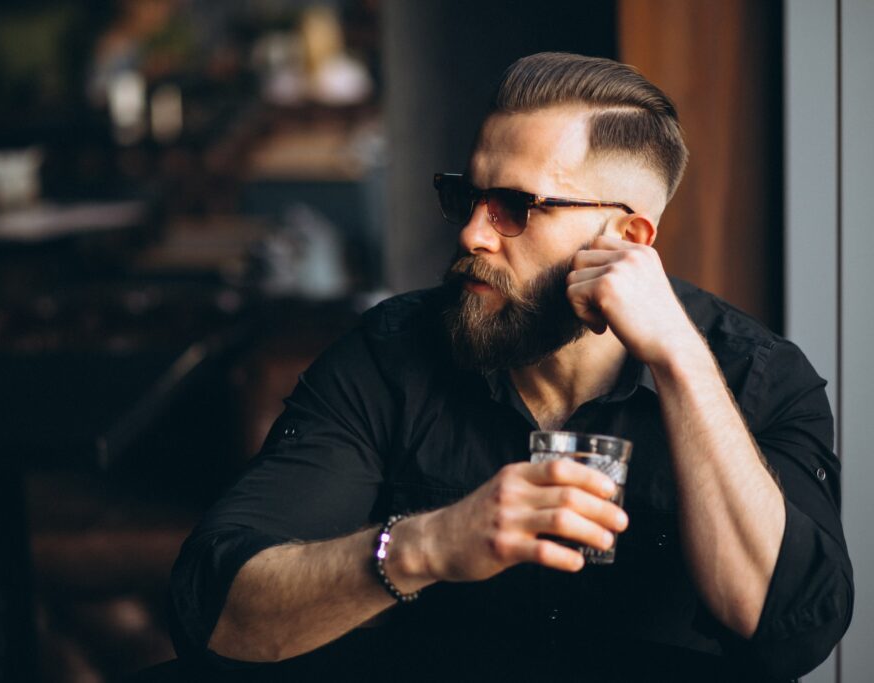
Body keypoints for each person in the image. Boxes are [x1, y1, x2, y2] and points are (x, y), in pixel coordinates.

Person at [169, 52, 852, 681]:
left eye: (517, 208)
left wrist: (680, 363)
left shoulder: (756, 378)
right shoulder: (390, 355)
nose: (471, 232)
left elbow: (790, 633)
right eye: (469, 197)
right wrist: (426, 544)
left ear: (626, 238)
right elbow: (213, 609)